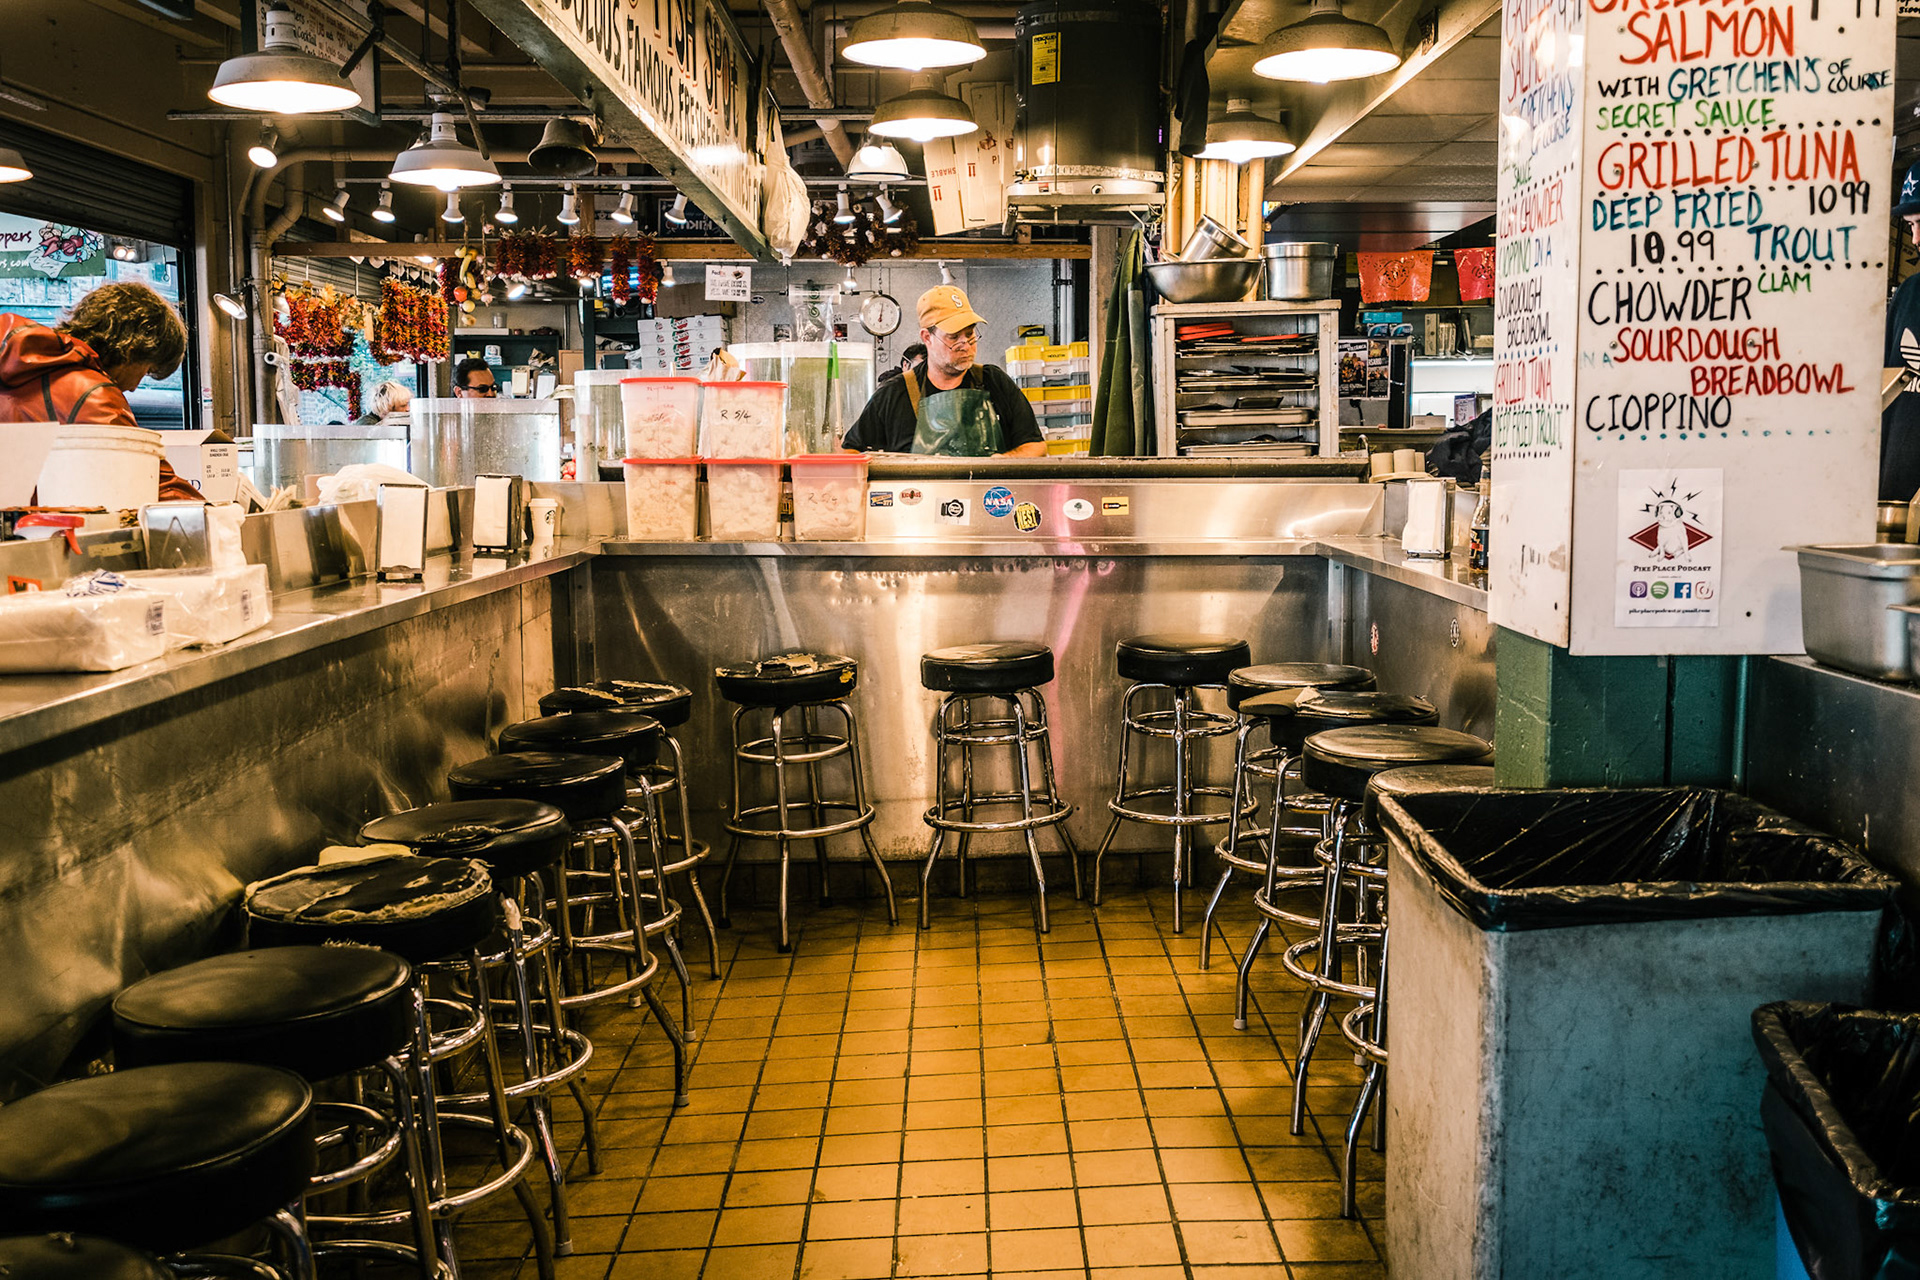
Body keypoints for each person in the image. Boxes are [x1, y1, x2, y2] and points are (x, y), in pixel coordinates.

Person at [0, 280, 202, 500]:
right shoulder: (95, 396)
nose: (134, 388)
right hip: (44, 530)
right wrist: (215, 517)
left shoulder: (16, 362)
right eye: (146, 371)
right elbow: (154, 483)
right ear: (130, 351)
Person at [843, 289, 1045, 456]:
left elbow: (1036, 446)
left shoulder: (995, 382)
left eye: (970, 334)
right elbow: (850, 451)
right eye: (953, 336)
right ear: (927, 337)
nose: (965, 345)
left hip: (989, 501)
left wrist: (1004, 462)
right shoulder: (894, 394)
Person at [1885, 160, 1920, 500]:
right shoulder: (1909, 293)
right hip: (1897, 490)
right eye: (1910, 225)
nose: (1916, 238)